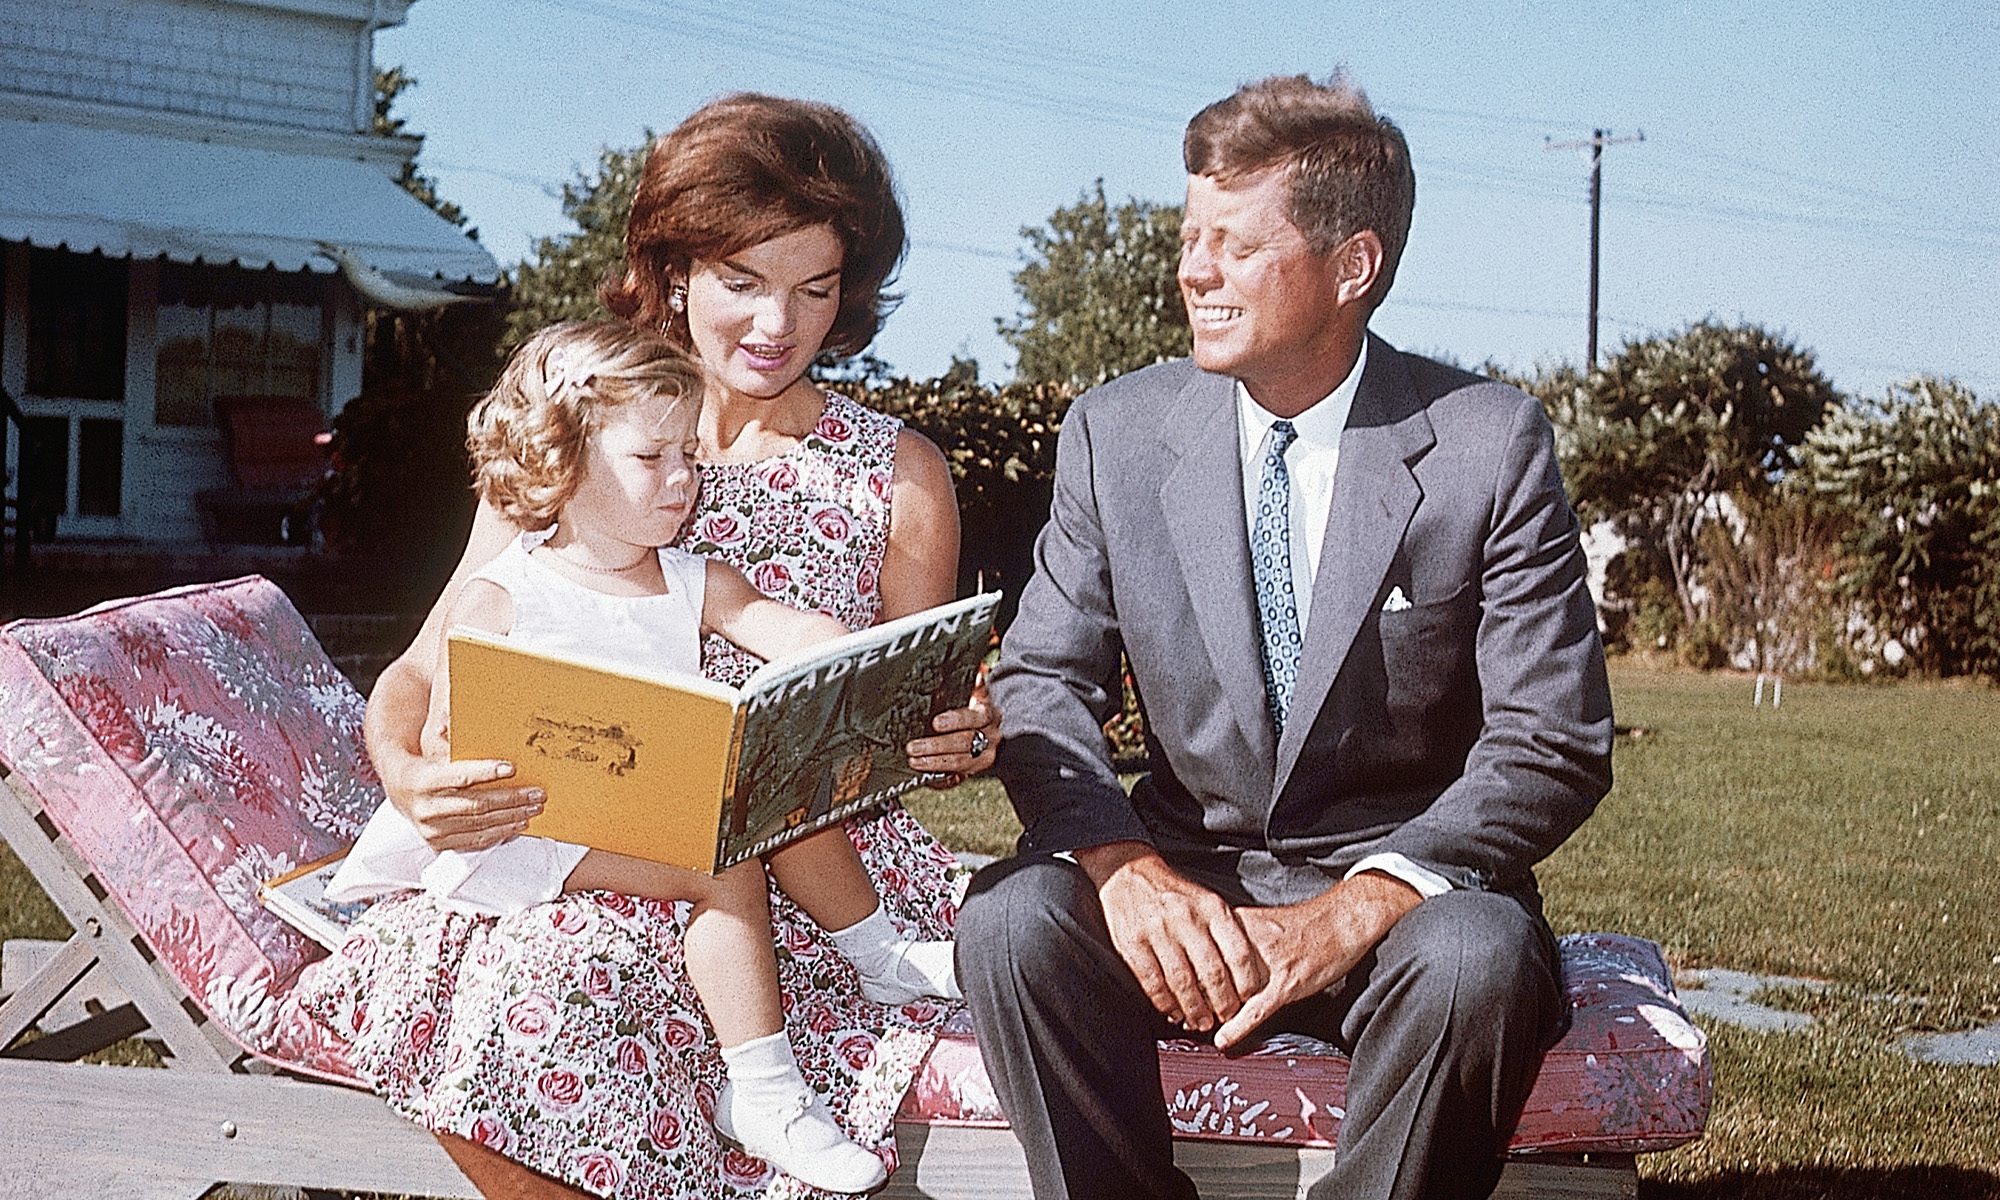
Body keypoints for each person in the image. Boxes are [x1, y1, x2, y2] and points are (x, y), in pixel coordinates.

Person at [297, 95, 997, 1200]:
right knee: (532, 989)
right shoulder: (571, 439)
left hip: (813, 878)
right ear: (672, 273)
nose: (778, 324)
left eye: (814, 290)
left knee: (616, 982)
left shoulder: (896, 474)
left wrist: (953, 733)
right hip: (577, 849)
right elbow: (421, 669)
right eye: (742, 283)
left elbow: (906, 703)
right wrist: (410, 776)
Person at [957, 73, 1614, 1200]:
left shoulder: (1483, 444)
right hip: (1184, 871)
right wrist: (1123, 869)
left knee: (1476, 962)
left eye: (1231, 243)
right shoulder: (1115, 432)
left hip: (1403, 894)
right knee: (1012, 925)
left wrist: (1356, 907)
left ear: (1350, 266)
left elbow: (1549, 741)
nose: (1191, 272)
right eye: (1187, 237)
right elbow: (1040, 682)